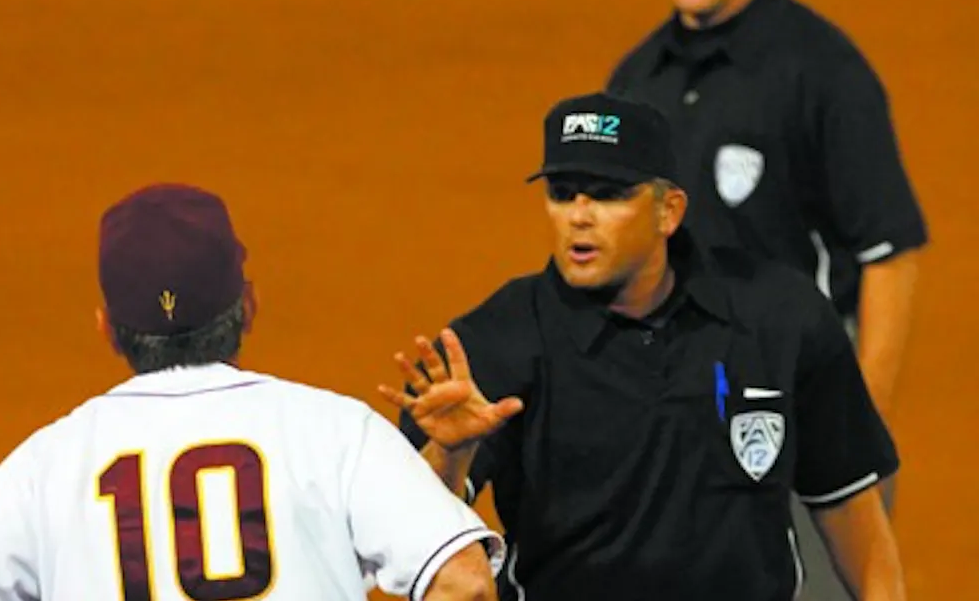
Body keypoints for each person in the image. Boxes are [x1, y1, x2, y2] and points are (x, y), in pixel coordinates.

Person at [383, 92, 905, 601]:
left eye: (608, 194)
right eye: (563, 192)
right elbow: (420, 545)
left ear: (668, 211)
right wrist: (451, 453)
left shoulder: (779, 317)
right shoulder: (495, 342)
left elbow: (850, 510)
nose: (578, 216)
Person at [0, 182, 504, 601]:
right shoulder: (334, 432)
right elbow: (464, 582)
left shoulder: (45, 465)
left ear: (108, 330)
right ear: (247, 306)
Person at [606, 0, 928, 598]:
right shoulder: (636, 78)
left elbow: (888, 254)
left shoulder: (820, 70)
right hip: (671, 401)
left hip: (792, 390)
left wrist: (853, 428)